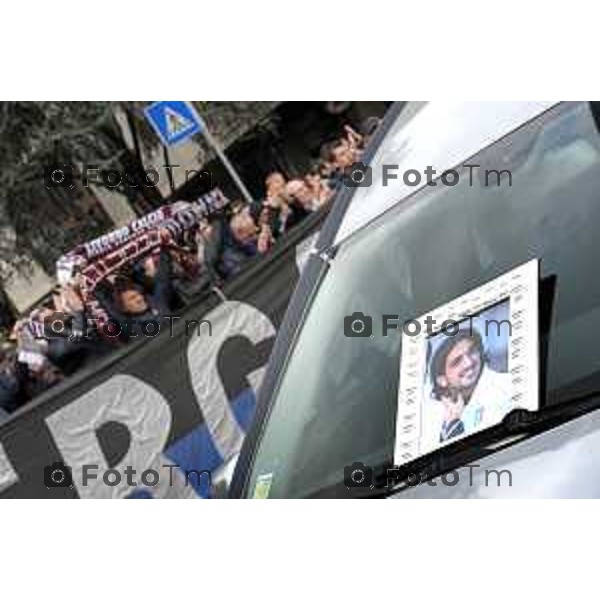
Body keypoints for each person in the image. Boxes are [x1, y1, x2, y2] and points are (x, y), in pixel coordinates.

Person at [423, 329, 512, 445]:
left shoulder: (506, 386)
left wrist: (454, 424)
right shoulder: (433, 414)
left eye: (472, 351)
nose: (469, 363)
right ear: (442, 380)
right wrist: (452, 423)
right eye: (457, 362)